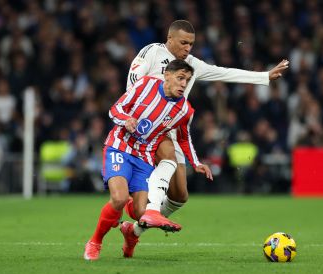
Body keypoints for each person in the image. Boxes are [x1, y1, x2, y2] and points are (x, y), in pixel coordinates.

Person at [123, 20, 289, 223]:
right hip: (145, 130)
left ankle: (136, 227)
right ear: (170, 38)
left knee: (179, 196)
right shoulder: (151, 53)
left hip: (172, 130)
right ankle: (147, 212)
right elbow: (133, 85)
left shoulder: (192, 64)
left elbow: (224, 72)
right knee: (166, 162)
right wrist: (133, 117)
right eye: (183, 42)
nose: (187, 48)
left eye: (191, 44)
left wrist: (265, 76)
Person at [84, 59, 213, 261]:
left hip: (144, 157)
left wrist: (195, 162)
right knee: (118, 198)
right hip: (120, 146)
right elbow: (114, 109)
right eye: (180, 78)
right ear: (167, 75)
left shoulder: (184, 110)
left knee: (140, 212)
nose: (183, 84)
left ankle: (128, 230)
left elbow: (183, 137)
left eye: (187, 81)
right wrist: (125, 120)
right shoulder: (145, 85)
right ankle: (95, 242)